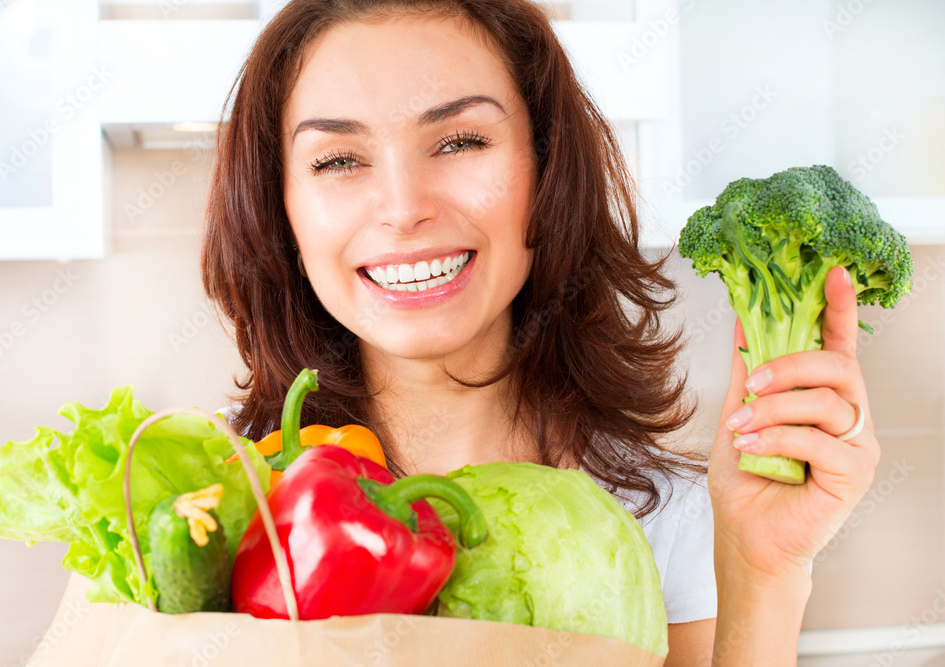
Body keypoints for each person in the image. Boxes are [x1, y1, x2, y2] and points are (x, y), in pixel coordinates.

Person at [200, 1, 880, 663]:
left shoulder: (669, 521)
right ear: (279, 204)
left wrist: (764, 571)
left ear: (547, 168)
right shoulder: (208, 499)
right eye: (338, 160)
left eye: (460, 141)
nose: (404, 208)